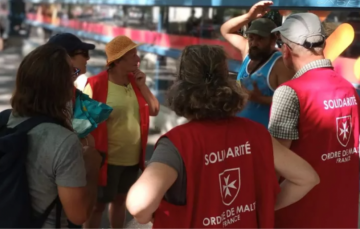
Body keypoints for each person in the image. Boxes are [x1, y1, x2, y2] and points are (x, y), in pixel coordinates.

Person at [125, 45, 319, 228]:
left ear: (181, 85)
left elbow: (139, 205)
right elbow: (306, 178)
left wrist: (151, 217)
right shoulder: (255, 133)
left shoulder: (177, 144)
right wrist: (265, 205)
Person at [269, 12, 360, 228]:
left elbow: (275, 167)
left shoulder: (290, 92)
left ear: (286, 50)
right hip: (342, 212)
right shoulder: (348, 89)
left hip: (299, 214)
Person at [7, 44, 102, 228]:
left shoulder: (5, 120)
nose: (75, 78)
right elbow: (79, 215)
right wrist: (92, 167)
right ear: (61, 85)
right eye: (73, 72)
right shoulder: (64, 142)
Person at [83, 35, 160, 228]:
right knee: (97, 206)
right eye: (132, 55)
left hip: (132, 159)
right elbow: (82, 125)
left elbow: (154, 110)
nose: (138, 59)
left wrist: (142, 86)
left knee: (119, 203)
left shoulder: (136, 82)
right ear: (117, 61)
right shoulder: (95, 85)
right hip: (105, 161)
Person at [220, 0, 294, 127]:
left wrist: (259, 99)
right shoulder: (248, 51)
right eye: (252, 38)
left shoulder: (279, 65)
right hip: (239, 131)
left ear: (273, 39)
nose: (254, 43)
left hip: (263, 136)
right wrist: (249, 16)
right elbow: (225, 30)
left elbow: (291, 103)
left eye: (260, 39)